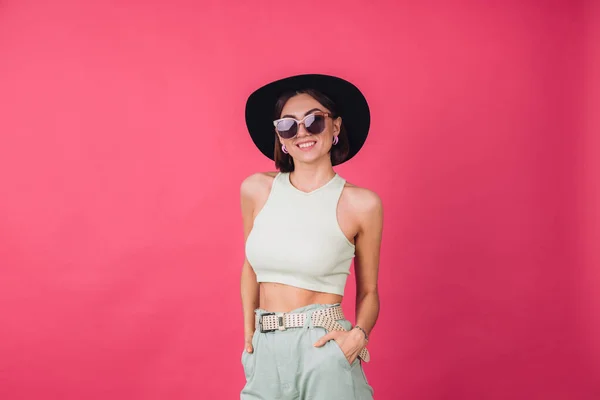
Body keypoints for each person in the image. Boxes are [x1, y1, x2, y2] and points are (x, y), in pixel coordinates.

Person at [240, 74, 383, 399]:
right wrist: (249, 337)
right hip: (265, 350)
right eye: (289, 125)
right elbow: (250, 267)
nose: (301, 132)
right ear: (281, 137)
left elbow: (369, 291)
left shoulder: (361, 204)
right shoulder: (256, 190)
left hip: (323, 345)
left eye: (314, 121)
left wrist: (358, 336)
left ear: (335, 128)